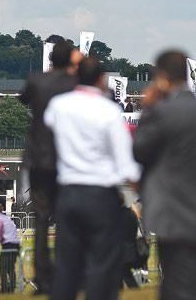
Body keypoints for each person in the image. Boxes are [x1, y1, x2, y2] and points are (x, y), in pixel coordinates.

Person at [133, 50, 196, 300]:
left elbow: (139, 153)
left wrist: (148, 106)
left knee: (176, 279)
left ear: (162, 77)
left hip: (173, 212)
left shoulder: (159, 113)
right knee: (188, 276)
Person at [44, 56, 140, 300]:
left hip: (67, 191)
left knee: (67, 263)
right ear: (101, 80)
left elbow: (49, 128)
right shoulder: (108, 111)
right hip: (100, 194)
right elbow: (125, 161)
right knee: (102, 262)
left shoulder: (59, 105)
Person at [19, 41, 82, 294]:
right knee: (67, 219)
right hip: (65, 158)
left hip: (38, 157)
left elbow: (24, 99)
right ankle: (66, 273)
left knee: (41, 218)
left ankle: (42, 276)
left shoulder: (36, 81)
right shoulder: (73, 85)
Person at [0, 202, 21, 293]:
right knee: (10, 268)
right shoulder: (6, 218)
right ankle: (11, 288)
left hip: (9, 244)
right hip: (14, 244)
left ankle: (5, 289)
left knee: (3, 268)